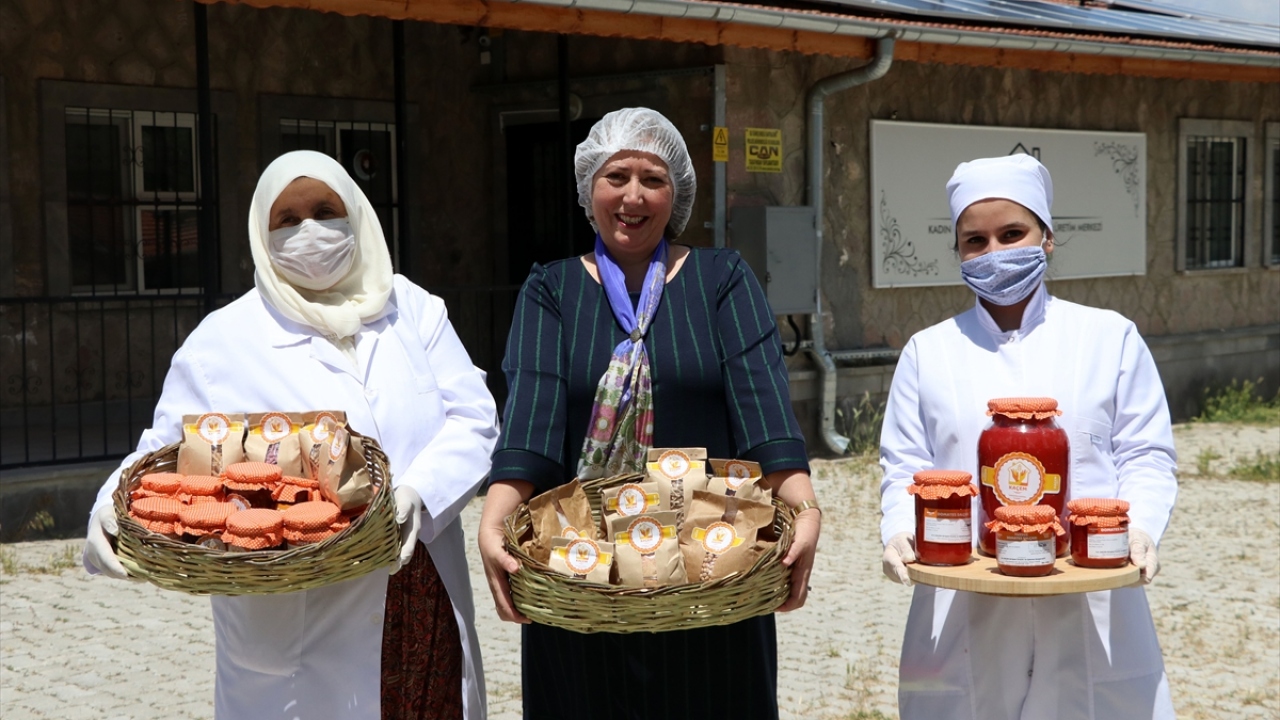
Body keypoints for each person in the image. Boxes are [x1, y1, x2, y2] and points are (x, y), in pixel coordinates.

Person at [82, 150, 499, 720]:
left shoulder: (414, 312)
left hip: (420, 590)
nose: (310, 230)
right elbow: (163, 456)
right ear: (262, 232)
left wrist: (417, 494)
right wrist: (110, 505)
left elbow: (472, 416)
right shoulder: (221, 343)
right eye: (288, 219)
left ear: (355, 214)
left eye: (326, 210)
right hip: (297, 638)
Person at [476, 107, 821, 719]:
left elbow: (765, 415)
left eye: (653, 179)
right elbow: (531, 415)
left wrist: (805, 506)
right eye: (616, 176)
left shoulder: (721, 281)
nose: (633, 196)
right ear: (590, 188)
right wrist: (493, 522)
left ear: (676, 193)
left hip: (710, 573)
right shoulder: (551, 290)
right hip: (585, 578)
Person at [878, 153, 1178, 720]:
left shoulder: (1108, 337)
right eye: (975, 240)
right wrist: (898, 528)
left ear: (1047, 238)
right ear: (959, 251)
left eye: (1012, 233)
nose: (994, 253)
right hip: (967, 594)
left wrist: (1139, 528)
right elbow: (905, 466)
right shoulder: (930, 350)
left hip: (1089, 593)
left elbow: (1145, 453)